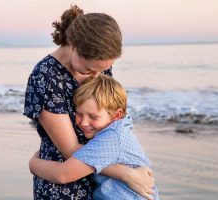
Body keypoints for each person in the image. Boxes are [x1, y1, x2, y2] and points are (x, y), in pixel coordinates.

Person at [24, 4, 154, 200]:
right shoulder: (46, 77)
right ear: (73, 46)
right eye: (88, 69)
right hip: (65, 182)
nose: (96, 76)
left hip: (103, 183)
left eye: (103, 70)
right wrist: (127, 174)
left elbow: (110, 117)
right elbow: (71, 151)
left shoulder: (97, 68)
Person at [29, 74, 159, 200]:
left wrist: (33, 164)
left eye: (93, 117)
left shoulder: (111, 138)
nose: (84, 122)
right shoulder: (120, 130)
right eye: (79, 114)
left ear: (117, 114)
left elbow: (63, 174)